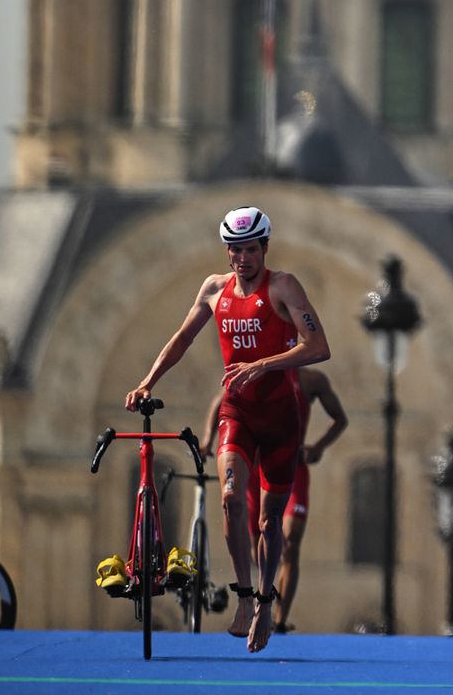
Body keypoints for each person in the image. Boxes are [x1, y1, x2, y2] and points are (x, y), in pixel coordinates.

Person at [124, 205, 330, 654]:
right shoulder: (213, 290)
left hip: (281, 419)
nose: (242, 259)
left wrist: (263, 364)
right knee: (231, 499)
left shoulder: (283, 287)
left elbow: (318, 347)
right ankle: (242, 595)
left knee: (268, 520)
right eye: (234, 250)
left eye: (250, 250)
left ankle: (265, 603)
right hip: (238, 413)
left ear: (264, 248)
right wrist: (147, 382)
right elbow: (182, 338)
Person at [202, 364, 348, 633]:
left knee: (291, 541)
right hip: (256, 467)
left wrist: (318, 446)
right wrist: (208, 440)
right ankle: (261, 596)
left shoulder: (312, 379)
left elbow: (340, 419)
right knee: (259, 538)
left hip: (292, 465)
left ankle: (280, 618)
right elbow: (221, 400)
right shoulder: (256, 372)